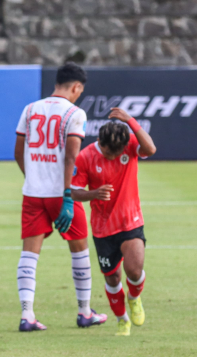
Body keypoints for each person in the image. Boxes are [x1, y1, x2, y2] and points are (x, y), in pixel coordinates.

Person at [13, 62, 106, 332]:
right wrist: (67, 194)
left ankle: (27, 315)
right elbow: (71, 156)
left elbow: (18, 152)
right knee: (79, 250)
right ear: (76, 87)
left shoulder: (30, 109)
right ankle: (85, 311)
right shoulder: (75, 113)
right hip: (61, 193)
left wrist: (31, 177)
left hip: (32, 192)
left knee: (29, 254)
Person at [71, 108, 156, 336]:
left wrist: (130, 120)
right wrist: (94, 194)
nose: (115, 156)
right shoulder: (86, 156)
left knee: (134, 271)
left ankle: (134, 298)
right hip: (102, 228)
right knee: (113, 276)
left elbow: (150, 148)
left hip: (130, 221)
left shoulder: (128, 146)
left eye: (118, 153)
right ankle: (122, 320)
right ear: (100, 141)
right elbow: (74, 191)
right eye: (110, 153)